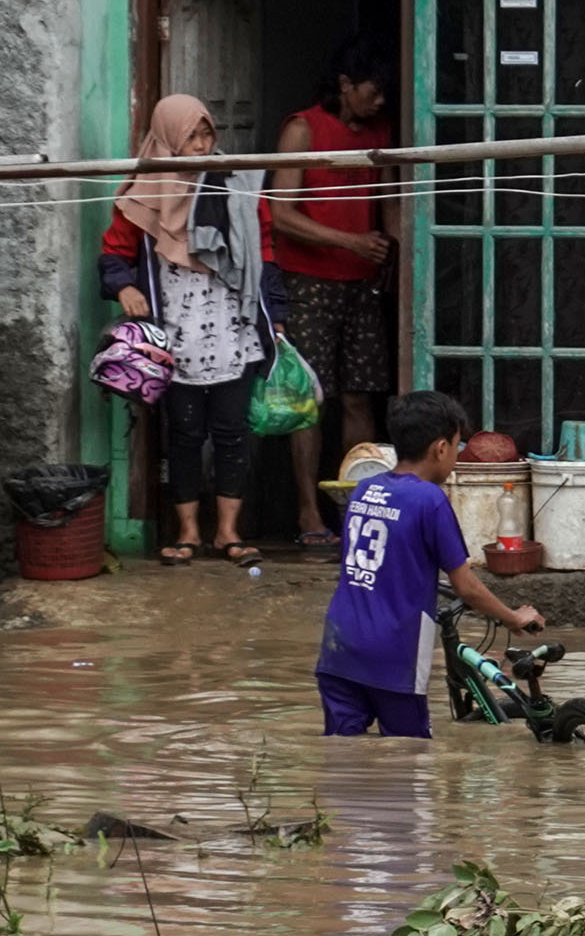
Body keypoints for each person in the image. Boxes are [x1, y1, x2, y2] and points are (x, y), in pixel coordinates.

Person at [313, 390, 544, 737]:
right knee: (410, 757)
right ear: (440, 448)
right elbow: (466, 586)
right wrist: (513, 618)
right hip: (392, 656)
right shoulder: (429, 499)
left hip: (339, 648)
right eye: (456, 446)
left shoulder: (363, 490)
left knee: (345, 758)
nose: (455, 456)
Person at [100, 93, 268, 569]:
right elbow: (114, 250)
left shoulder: (234, 179)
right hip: (174, 332)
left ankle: (229, 532)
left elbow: (264, 244)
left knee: (233, 432)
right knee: (185, 434)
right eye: (190, 135)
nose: (200, 144)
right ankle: (188, 532)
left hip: (233, 328)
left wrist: (273, 309)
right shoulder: (145, 184)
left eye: (206, 133)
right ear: (169, 136)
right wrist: (124, 288)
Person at [271, 33, 403, 543]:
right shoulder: (303, 130)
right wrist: (351, 242)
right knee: (310, 402)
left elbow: (392, 195)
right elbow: (282, 216)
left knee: (359, 399)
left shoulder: (381, 131)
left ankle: (358, 510)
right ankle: (308, 515)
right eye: (372, 90)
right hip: (309, 284)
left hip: (363, 283)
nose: (380, 101)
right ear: (345, 85)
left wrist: (395, 252)